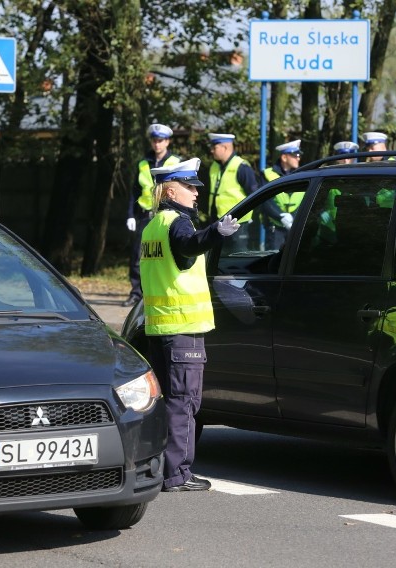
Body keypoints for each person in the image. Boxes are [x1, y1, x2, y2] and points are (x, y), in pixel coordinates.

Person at [140, 157, 241, 492]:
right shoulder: (177, 223)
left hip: (160, 329)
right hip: (183, 330)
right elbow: (189, 244)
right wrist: (215, 232)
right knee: (184, 403)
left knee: (168, 401)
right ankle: (176, 475)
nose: (196, 194)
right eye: (189, 187)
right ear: (171, 189)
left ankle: (161, 469)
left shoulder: (153, 226)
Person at [123, 123, 181, 307]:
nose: (157, 144)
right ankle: (136, 293)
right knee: (138, 255)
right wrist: (130, 214)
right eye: (154, 140)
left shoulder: (176, 162)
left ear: (167, 142)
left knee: (164, 253)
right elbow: (135, 190)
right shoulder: (143, 163)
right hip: (145, 215)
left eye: (161, 140)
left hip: (167, 215)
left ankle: (162, 290)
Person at [206, 132, 259, 250]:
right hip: (218, 222)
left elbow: (254, 195)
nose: (211, 151)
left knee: (237, 257)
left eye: (214, 147)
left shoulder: (242, 167)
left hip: (238, 224)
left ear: (225, 148)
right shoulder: (214, 166)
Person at [262, 140, 303, 249]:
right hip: (275, 228)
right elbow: (265, 201)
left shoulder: (302, 174)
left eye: (299, 155)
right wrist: (280, 216)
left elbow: (304, 198)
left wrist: (294, 217)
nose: (298, 158)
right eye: (295, 155)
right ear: (284, 158)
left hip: (296, 226)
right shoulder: (267, 174)